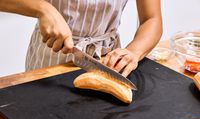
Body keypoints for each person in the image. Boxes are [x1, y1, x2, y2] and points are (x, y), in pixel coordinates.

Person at [0, 0, 162, 77]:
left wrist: (133, 52)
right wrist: (42, 9)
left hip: (107, 62)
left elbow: (152, 19)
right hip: (49, 59)